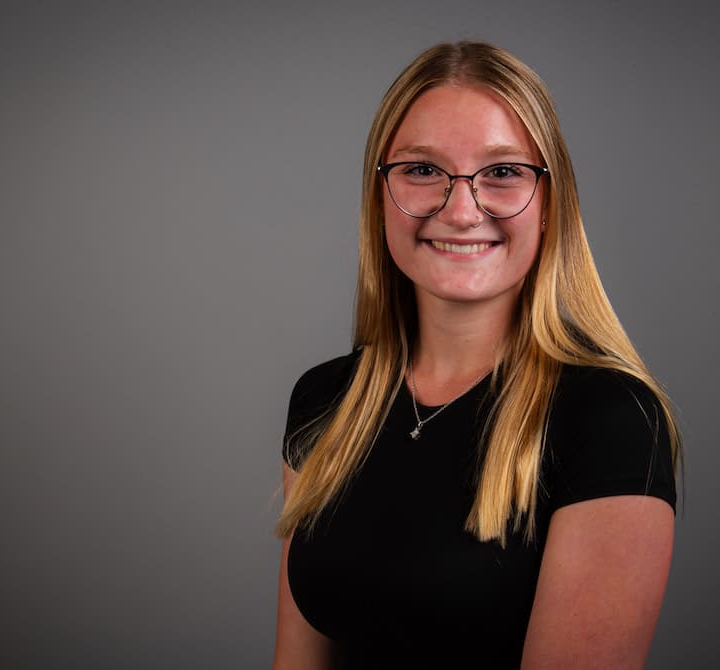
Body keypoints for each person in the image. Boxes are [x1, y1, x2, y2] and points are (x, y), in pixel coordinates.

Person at [272, 41, 681, 669]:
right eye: (423, 170)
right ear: (379, 195)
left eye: (503, 172)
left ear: (551, 204)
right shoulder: (326, 401)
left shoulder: (612, 421)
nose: (461, 210)